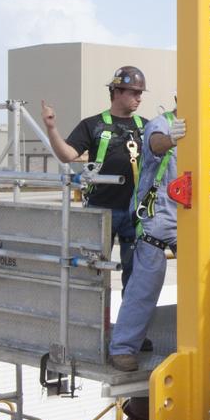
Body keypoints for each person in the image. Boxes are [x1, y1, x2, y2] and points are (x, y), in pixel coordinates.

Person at [41, 67, 146, 292]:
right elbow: (67, 155)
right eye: (134, 92)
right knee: (93, 273)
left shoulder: (146, 126)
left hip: (135, 212)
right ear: (116, 91)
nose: (139, 98)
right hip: (100, 210)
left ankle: (129, 326)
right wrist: (51, 128)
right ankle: (96, 324)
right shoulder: (93, 125)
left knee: (136, 278)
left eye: (140, 93)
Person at [109, 105, 186, 373]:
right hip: (158, 218)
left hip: (190, 220)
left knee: (206, 284)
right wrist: (173, 139)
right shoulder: (161, 124)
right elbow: (156, 144)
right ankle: (123, 348)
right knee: (144, 286)